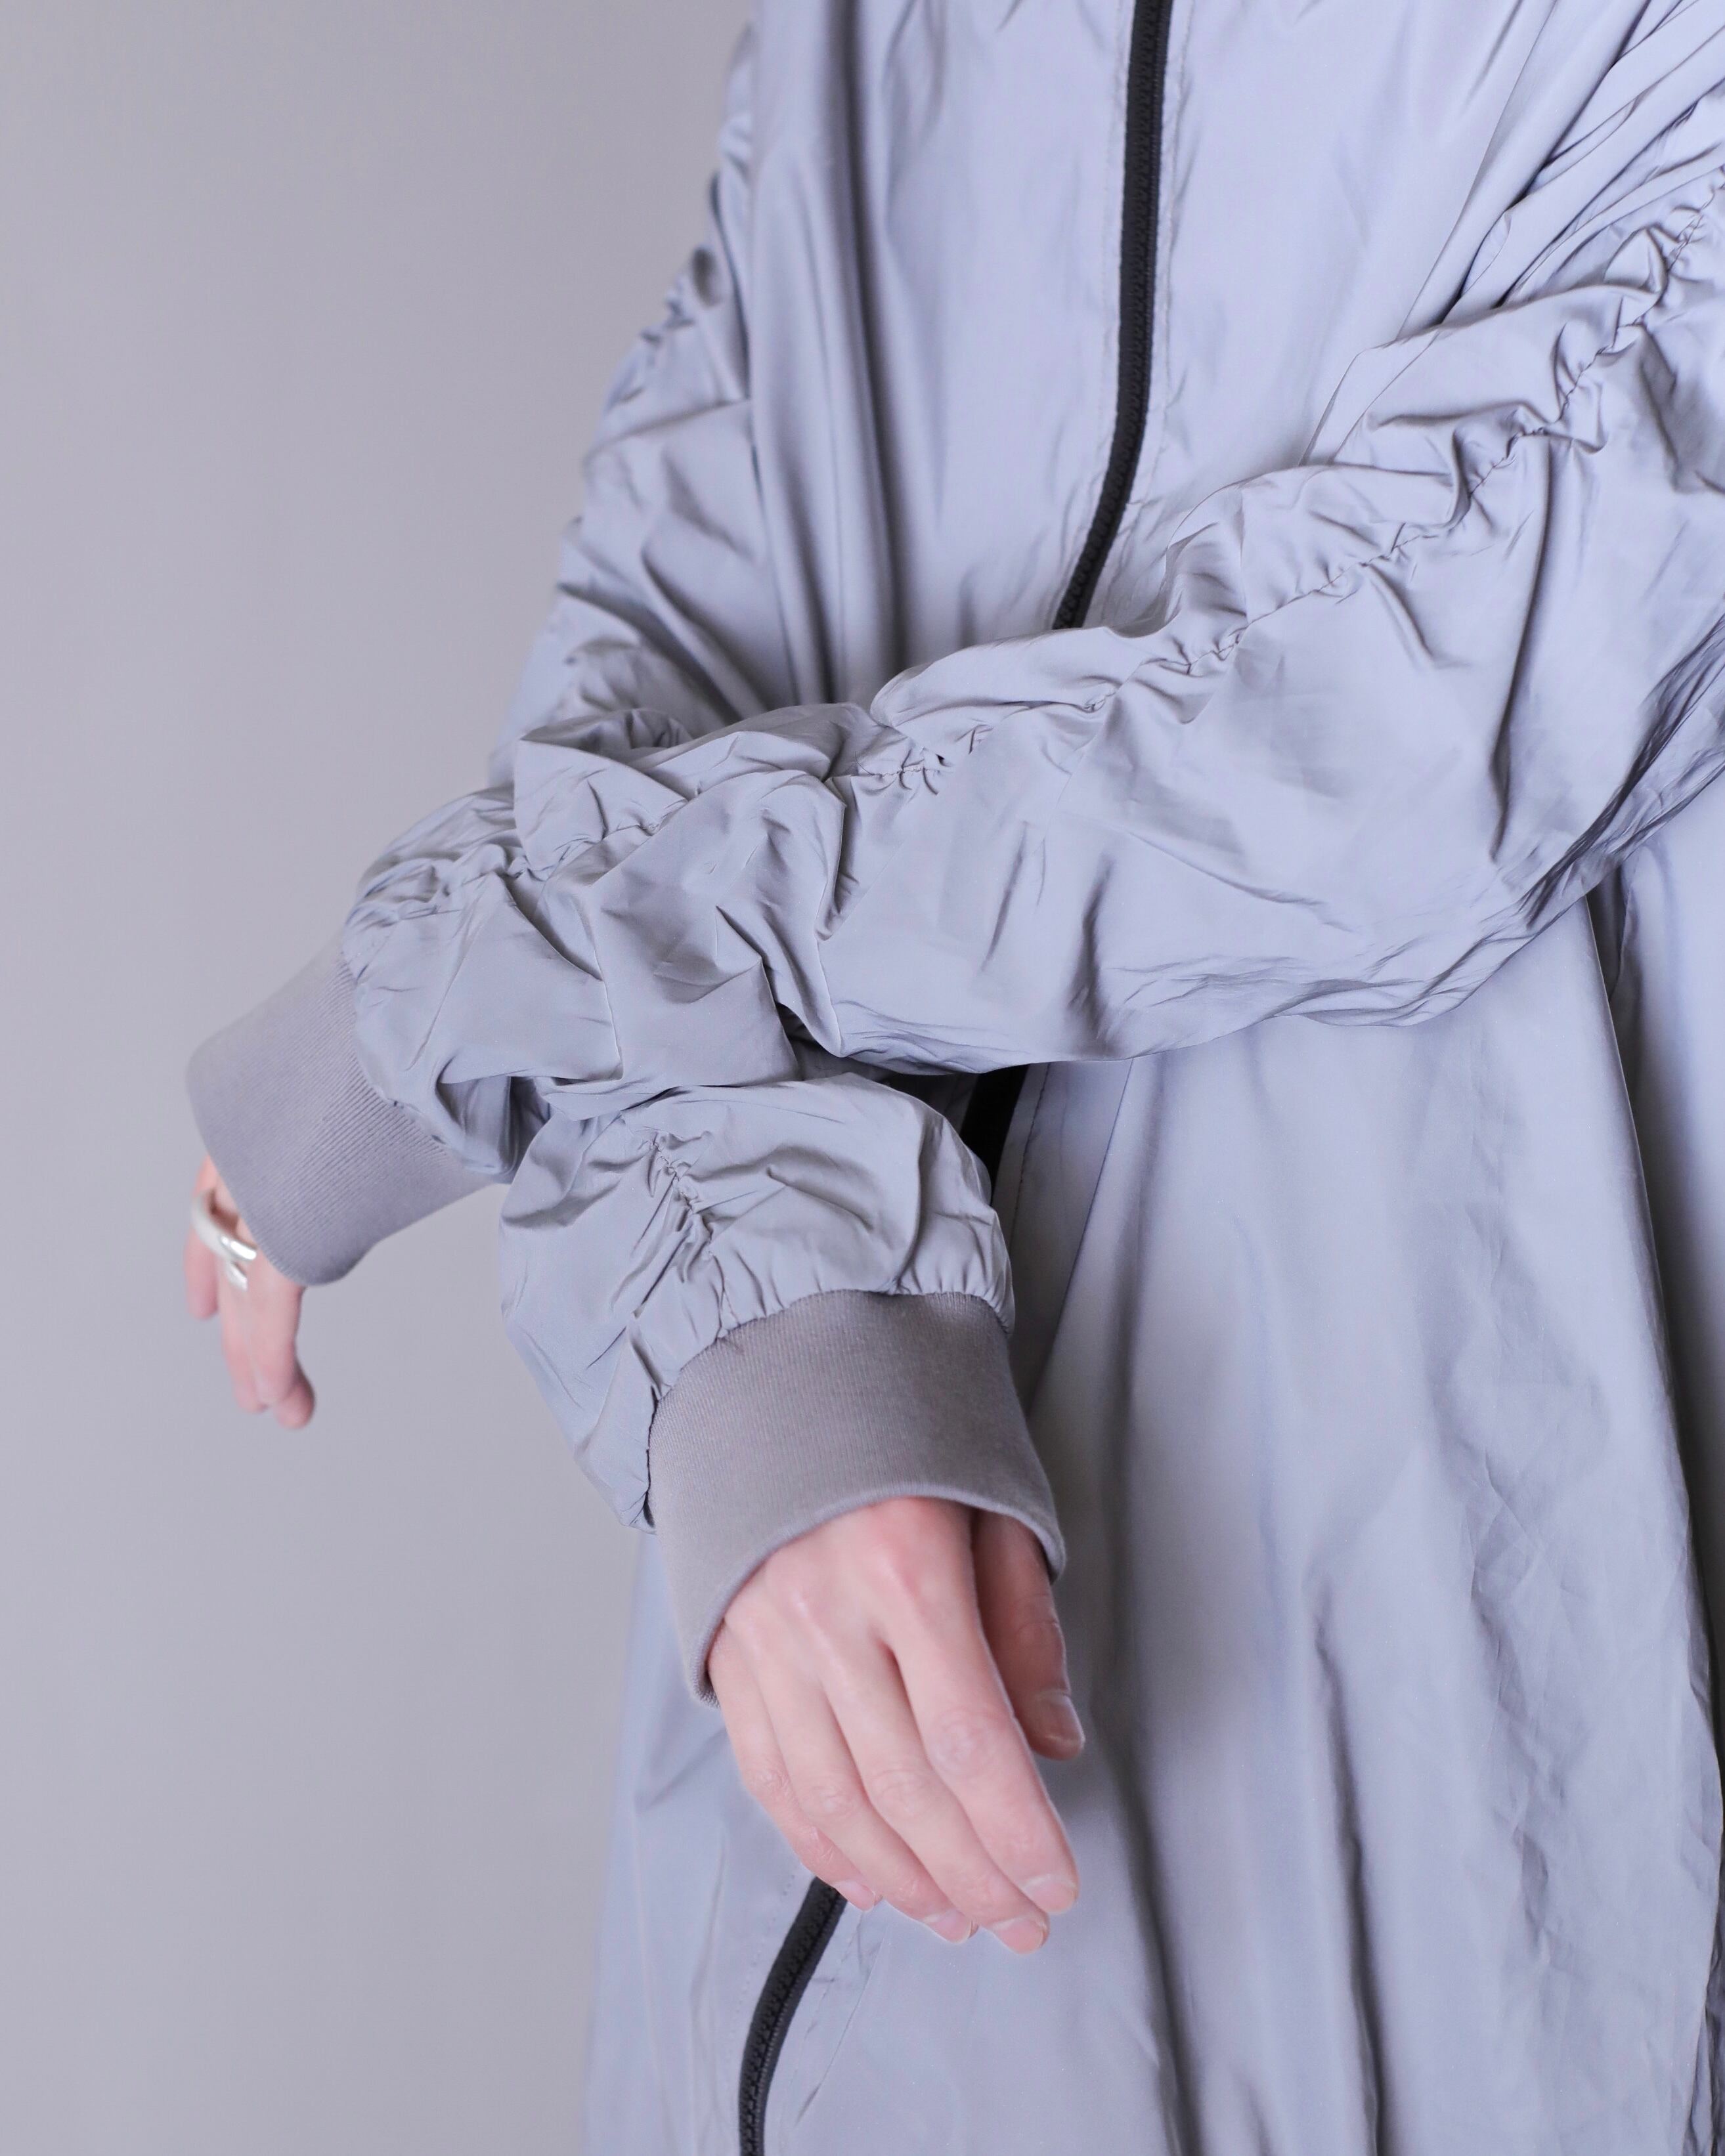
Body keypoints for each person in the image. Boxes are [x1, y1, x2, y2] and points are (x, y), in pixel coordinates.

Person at [185, 1, 1725, 2146]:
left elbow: (1357, 735)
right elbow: (646, 682)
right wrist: (776, 1334)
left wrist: (490, 952)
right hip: (794, 1799)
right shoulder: (853, 38)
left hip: (1413, 1799)